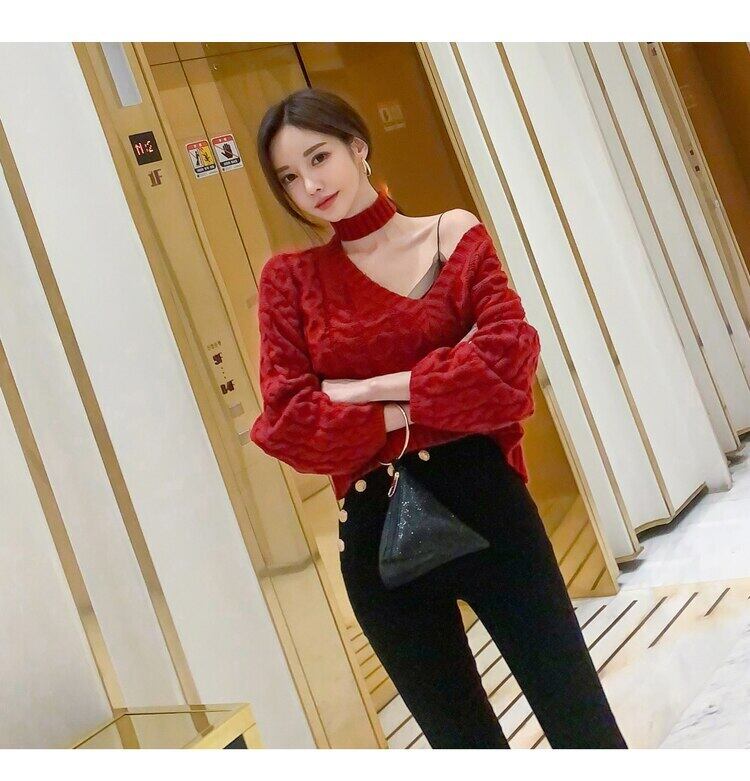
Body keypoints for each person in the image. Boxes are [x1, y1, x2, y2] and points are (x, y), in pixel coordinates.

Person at [250, 87, 627, 749]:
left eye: (319, 157)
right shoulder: (290, 282)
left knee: (581, 724)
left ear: (358, 146)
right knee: (463, 747)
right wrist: (435, 392)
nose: (309, 186)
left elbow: (506, 367)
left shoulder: (451, 235)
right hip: (377, 536)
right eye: (288, 176)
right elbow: (290, 425)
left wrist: (368, 390)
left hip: (489, 510)